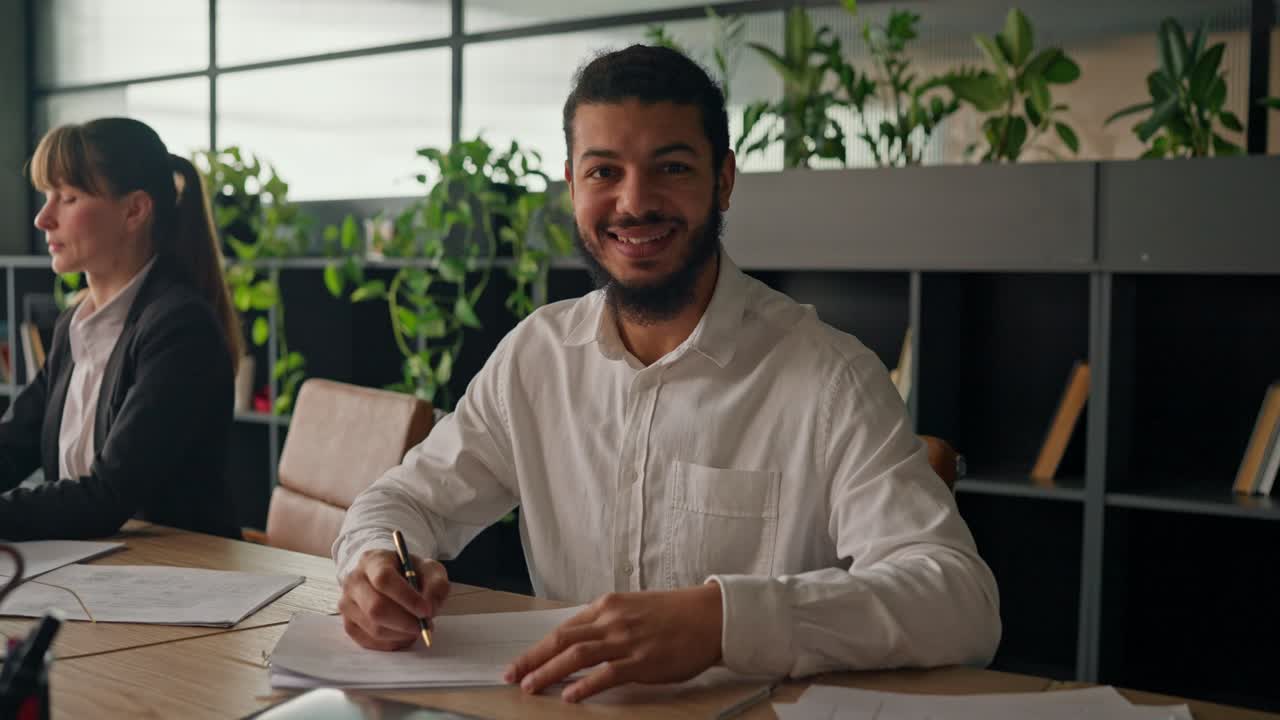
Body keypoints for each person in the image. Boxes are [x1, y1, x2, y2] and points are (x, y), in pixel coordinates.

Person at [334, 46, 1000, 702]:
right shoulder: (535, 357)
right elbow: (398, 504)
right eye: (603, 172)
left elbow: (959, 602)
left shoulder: (829, 377)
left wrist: (723, 622)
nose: (635, 202)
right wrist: (375, 566)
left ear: (724, 180)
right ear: (571, 186)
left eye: (672, 167)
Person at [0, 117, 240, 540]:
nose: (43, 218)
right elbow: (12, 446)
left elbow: (106, 496)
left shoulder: (179, 328)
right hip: (95, 569)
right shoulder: (74, 326)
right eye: (46, 196)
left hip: (184, 580)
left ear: (134, 210)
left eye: (68, 198)